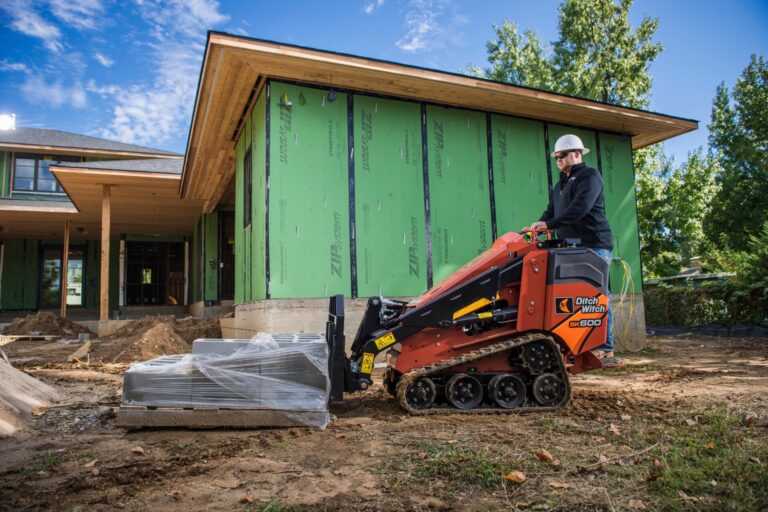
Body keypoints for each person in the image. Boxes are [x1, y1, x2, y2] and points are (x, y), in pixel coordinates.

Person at [526, 134, 620, 365]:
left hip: (594, 244)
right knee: (574, 300)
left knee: (597, 298)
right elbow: (551, 212)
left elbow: (581, 207)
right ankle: (577, 345)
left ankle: (604, 347)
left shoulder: (590, 177)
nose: (558, 159)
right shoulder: (560, 184)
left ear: (577, 153)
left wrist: (551, 224)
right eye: (556, 156)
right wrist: (536, 227)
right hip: (571, 248)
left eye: (563, 155)